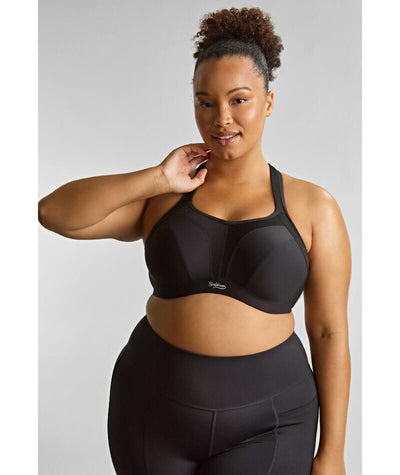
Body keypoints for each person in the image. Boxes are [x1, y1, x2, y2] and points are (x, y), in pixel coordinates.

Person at [38, 7, 351, 475]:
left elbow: (328, 331)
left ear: (268, 101)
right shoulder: (164, 197)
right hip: (150, 411)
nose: (222, 118)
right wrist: (156, 177)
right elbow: (54, 214)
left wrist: (332, 453)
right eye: (205, 103)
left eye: (239, 100)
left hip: (270, 423)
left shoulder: (313, 207)